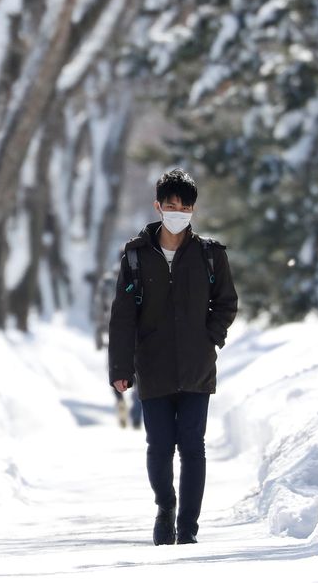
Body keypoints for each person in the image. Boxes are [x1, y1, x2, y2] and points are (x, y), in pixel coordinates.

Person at [107, 169, 238, 545]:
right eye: (170, 205)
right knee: (160, 446)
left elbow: (226, 303)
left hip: (197, 369)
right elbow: (123, 315)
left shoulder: (210, 255)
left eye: (184, 206)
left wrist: (209, 338)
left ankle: (188, 528)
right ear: (158, 207)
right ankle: (165, 508)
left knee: (193, 448)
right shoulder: (135, 256)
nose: (176, 211)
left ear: (193, 210)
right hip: (154, 367)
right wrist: (121, 367)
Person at [92, 266, 142, 429]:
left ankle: (120, 400)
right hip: (138, 333)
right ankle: (137, 408)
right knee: (139, 371)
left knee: (116, 370)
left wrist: (99, 333)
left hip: (113, 333)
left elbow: (100, 309)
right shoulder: (140, 275)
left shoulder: (108, 281)